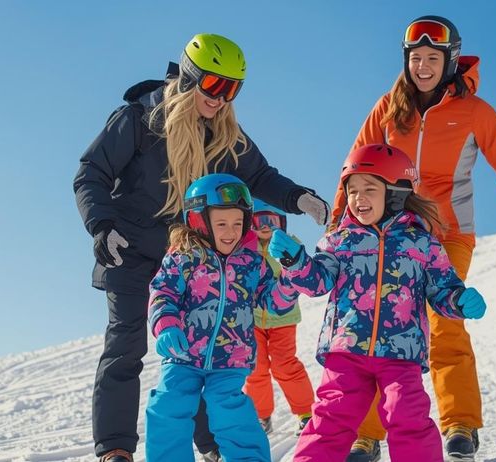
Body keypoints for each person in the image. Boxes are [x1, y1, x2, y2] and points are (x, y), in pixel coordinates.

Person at [73, 33, 329, 462]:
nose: (221, 98)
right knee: (126, 345)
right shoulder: (140, 119)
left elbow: (260, 174)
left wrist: (297, 197)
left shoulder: (223, 133)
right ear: (190, 76)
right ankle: (115, 448)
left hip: (192, 258)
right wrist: (101, 226)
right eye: (214, 85)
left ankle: (210, 446)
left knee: (202, 346)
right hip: (129, 250)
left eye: (233, 89)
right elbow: (91, 172)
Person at [332, 16, 496, 462]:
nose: (423, 66)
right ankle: (367, 434)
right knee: (379, 328)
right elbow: (353, 167)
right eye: (416, 58)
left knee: (444, 324)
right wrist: (340, 227)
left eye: (433, 58)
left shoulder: (475, 112)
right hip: (389, 236)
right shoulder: (389, 108)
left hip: (448, 234)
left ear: (450, 61)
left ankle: (460, 426)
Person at [272, 144, 488, 462]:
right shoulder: (339, 241)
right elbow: (317, 281)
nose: (359, 199)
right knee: (329, 420)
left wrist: (459, 300)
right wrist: (296, 262)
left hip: (400, 354)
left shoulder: (422, 243)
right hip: (345, 352)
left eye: (369, 189)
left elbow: (442, 289)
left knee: (408, 418)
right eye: (353, 190)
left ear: (397, 192)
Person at [145, 174, 298, 462]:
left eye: (238, 223)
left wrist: (291, 277)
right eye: (222, 224)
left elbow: (272, 301)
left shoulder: (252, 262)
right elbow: (163, 291)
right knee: (168, 406)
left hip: (231, 359)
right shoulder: (184, 256)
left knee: (229, 409)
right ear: (200, 222)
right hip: (183, 355)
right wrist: (165, 326)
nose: (231, 232)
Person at [243, 199, 314, 436]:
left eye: (271, 221)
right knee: (256, 368)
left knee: (285, 366)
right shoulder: (246, 247)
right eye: (259, 220)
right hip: (252, 320)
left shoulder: (289, 243)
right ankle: (261, 415)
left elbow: (300, 270)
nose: (265, 226)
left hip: (283, 319)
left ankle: (305, 413)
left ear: (281, 223)